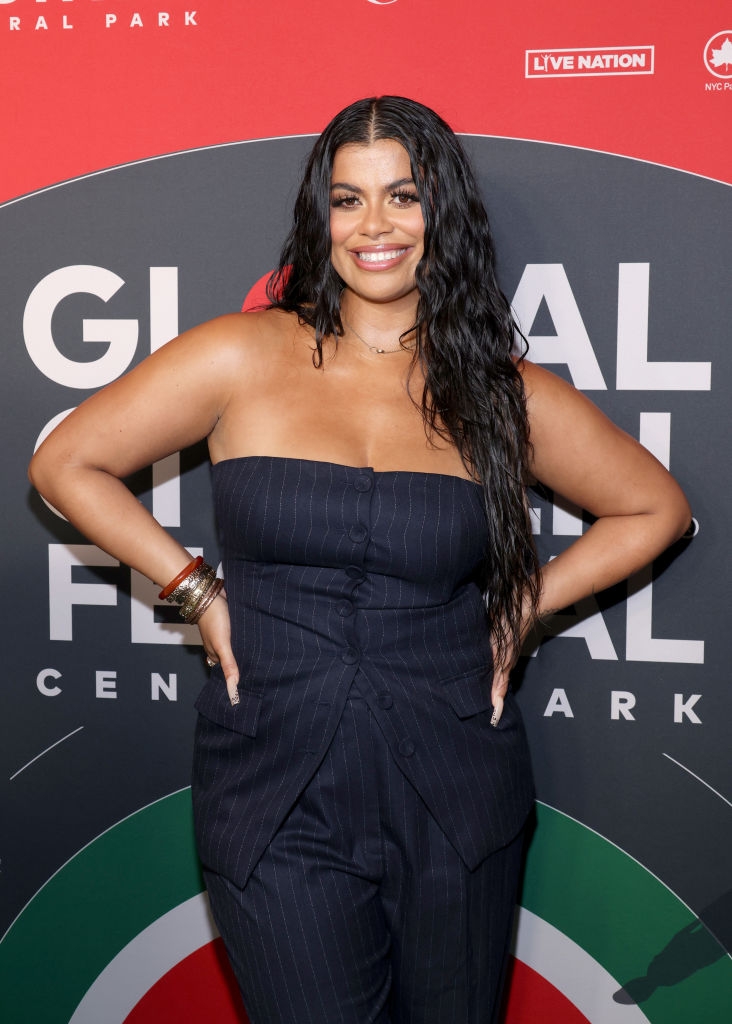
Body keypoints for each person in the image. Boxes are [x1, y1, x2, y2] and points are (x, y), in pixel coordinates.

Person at [29, 96, 691, 1023]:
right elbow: (65, 462)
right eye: (347, 200)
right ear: (321, 216)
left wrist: (522, 609)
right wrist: (196, 592)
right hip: (273, 786)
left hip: (457, 784)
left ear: (442, 215)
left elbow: (655, 506)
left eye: (402, 197)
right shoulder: (240, 354)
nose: (373, 226)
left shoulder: (502, 393)